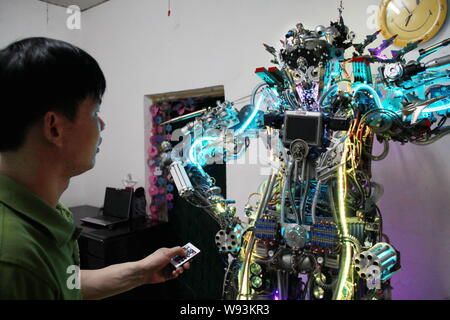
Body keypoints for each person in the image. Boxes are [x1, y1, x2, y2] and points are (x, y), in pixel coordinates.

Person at [0, 37, 189, 300]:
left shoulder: (47, 213)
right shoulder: (15, 261)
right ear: (54, 127)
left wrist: (141, 272)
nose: (102, 124)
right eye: (94, 112)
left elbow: (66, 283)